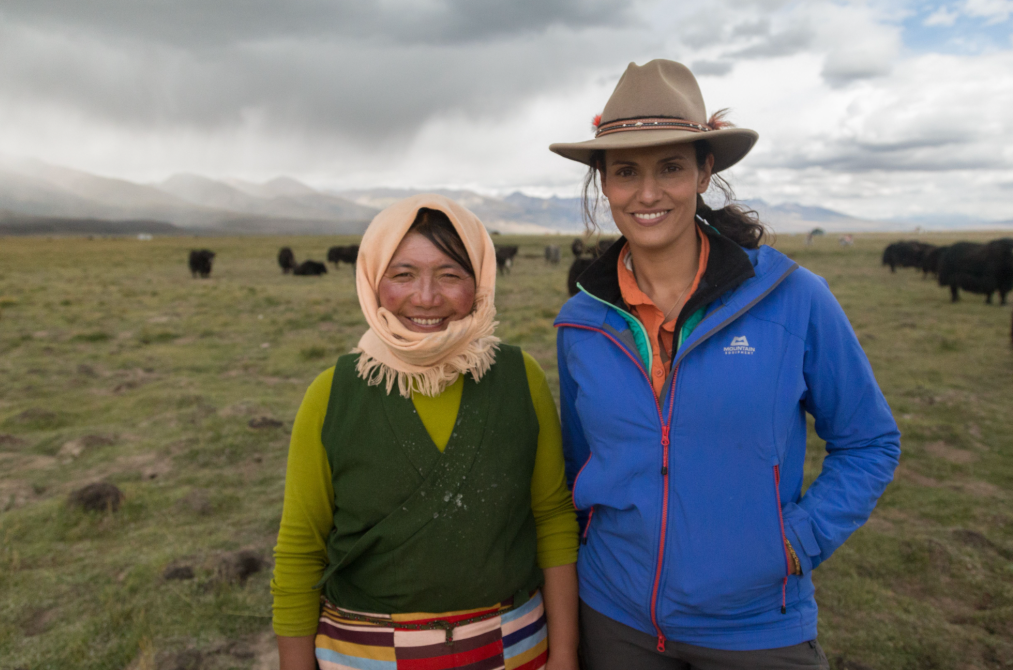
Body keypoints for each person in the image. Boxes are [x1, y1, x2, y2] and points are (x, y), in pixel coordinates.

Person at [548, 60, 900, 669]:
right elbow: (581, 468)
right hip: (613, 617)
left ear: (706, 171)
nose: (648, 193)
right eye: (626, 171)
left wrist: (794, 543)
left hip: (755, 626)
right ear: (603, 181)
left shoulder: (793, 297)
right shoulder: (582, 322)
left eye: (672, 167)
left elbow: (869, 441)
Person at [271, 194, 580, 670]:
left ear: (479, 281)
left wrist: (565, 654)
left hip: (514, 649)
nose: (426, 297)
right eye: (403, 274)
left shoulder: (522, 381)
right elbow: (299, 551)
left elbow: (554, 520)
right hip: (363, 657)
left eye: (451, 274)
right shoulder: (331, 395)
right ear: (374, 280)